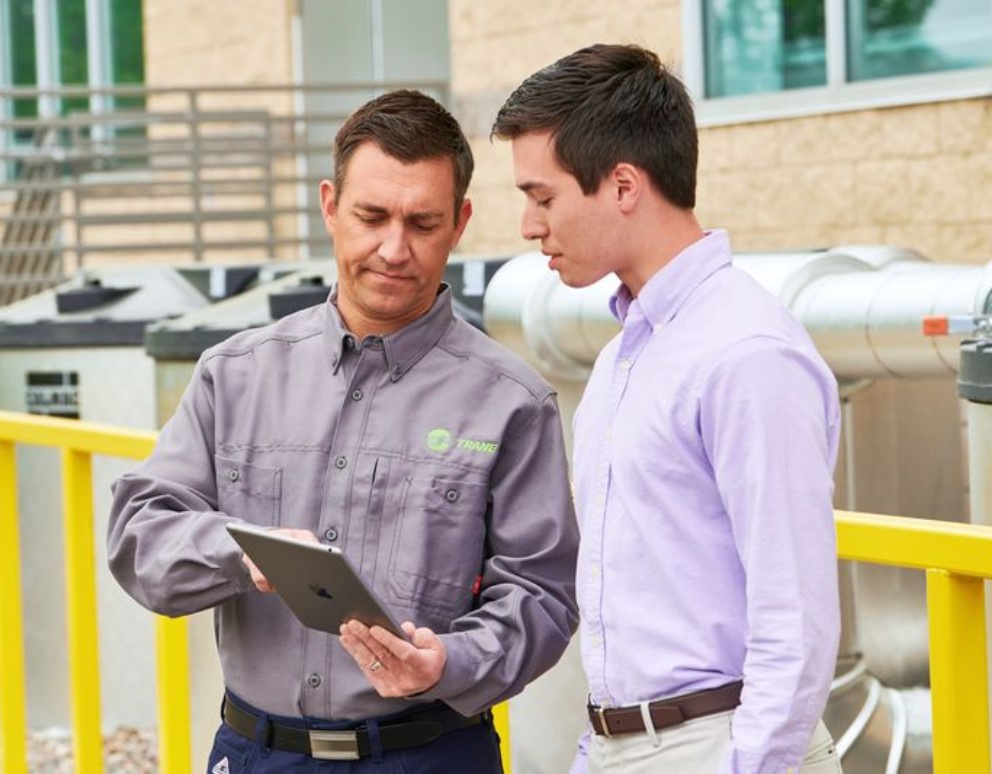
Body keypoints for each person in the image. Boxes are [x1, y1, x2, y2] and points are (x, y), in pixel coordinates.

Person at [108, 89, 579, 773]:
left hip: (431, 755)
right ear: (330, 206)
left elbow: (542, 594)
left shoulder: (512, 403)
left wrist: (451, 660)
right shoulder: (234, 375)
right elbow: (140, 535)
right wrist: (241, 550)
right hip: (257, 754)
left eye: (423, 223)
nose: (394, 248)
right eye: (371, 216)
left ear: (460, 223)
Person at [492, 44, 842, 773]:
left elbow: (796, 618)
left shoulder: (746, 354)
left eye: (543, 197)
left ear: (623, 185)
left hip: (723, 744)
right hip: (624, 744)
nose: (528, 225)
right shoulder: (625, 355)